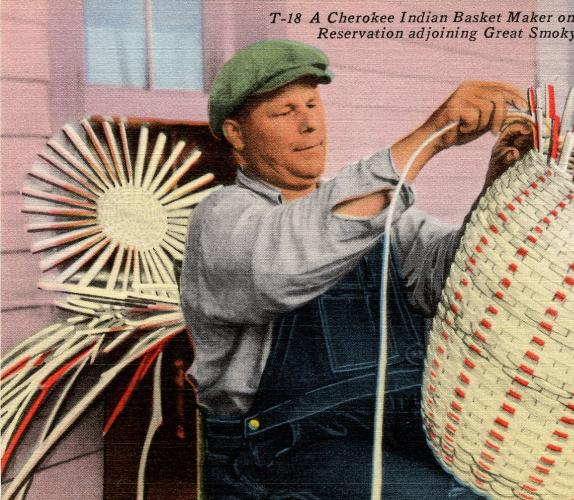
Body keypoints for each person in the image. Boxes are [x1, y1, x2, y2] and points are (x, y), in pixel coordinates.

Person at [180, 39, 533, 499]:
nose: (309, 123)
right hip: (281, 452)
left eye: (311, 104)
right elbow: (283, 266)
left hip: (402, 425)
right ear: (236, 133)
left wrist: (498, 190)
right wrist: (434, 134)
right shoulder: (222, 217)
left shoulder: (376, 210)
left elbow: (450, 282)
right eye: (283, 112)